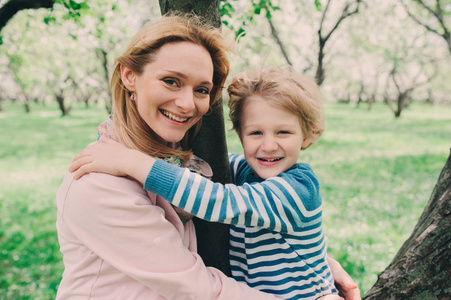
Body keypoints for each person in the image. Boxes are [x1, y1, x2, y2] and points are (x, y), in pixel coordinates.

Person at [69, 67, 361, 300]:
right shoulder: (243, 169)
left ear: (308, 136)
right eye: (255, 133)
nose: (268, 146)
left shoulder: (299, 188)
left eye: (283, 132)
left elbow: (219, 201)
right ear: (240, 134)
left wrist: (131, 162)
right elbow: (190, 167)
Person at [55, 14, 282, 299]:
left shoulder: (176, 159)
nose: (188, 104)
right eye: (171, 81)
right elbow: (199, 289)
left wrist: (310, 268)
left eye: (201, 90)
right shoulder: (97, 184)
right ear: (129, 76)